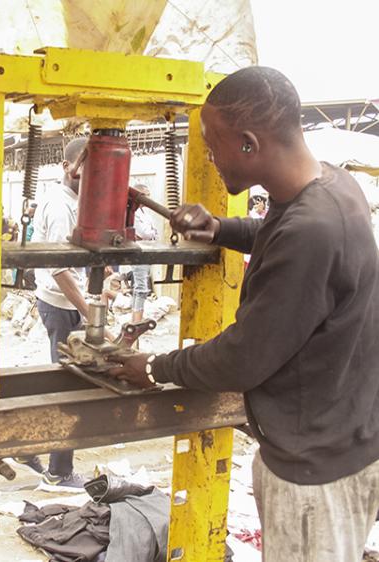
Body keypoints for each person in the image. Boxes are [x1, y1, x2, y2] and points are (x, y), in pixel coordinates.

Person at [108, 66, 379, 562]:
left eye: (213, 145)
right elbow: (276, 234)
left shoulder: (310, 231)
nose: (209, 158)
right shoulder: (332, 188)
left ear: (249, 145)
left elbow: (243, 358)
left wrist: (154, 366)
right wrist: (221, 229)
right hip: (345, 435)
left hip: (312, 471)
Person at [16, 138, 90, 492]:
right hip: (61, 306)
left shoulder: (78, 202)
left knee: (66, 381)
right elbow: (61, 269)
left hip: (65, 303)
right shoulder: (62, 206)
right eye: (86, 166)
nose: (93, 175)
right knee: (70, 387)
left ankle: (25, 445)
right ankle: (58, 473)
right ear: (68, 166)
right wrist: (89, 310)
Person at [128, 183, 158, 322]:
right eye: (145, 195)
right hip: (139, 252)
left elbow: (153, 233)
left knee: (139, 287)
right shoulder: (132, 213)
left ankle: (136, 320)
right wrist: (149, 234)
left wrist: (149, 234)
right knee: (141, 288)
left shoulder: (146, 214)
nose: (148, 199)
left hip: (147, 251)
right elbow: (144, 233)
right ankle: (136, 322)